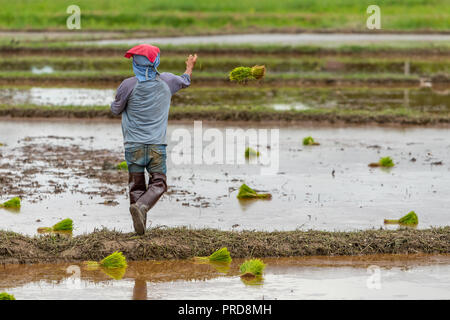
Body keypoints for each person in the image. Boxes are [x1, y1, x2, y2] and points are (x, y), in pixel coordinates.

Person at [110, 44, 197, 235]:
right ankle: (141, 212)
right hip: (157, 145)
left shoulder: (128, 85)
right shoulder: (168, 81)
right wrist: (190, 65)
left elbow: (115, 109)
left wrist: (116, 102)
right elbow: (185, 80)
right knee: (159, 183)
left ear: (135, 63)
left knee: (136, 186)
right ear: (155, 62)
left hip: (133, 146)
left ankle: (139, 220)